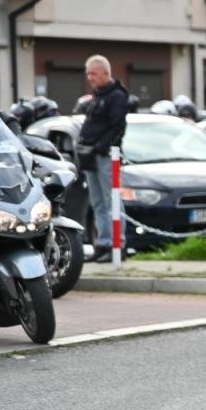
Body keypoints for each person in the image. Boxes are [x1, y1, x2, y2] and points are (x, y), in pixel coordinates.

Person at [76, 55, 130, 261]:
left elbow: (118, 126)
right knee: (97, 202)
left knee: (112, 201)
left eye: (94, 73)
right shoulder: (98, 95)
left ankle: (119, 244)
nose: (90, 78)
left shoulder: (116, 96)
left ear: (106, 73)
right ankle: (103, 243)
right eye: (88, 73)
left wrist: (102, 146)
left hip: (105, 156)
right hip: (89, 155)